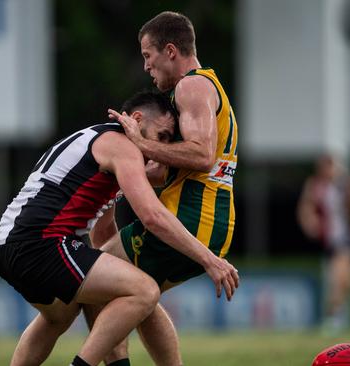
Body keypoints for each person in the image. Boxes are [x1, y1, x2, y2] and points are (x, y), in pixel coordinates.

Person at [0, 90, 239, 366]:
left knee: (58, 318)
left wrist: (110, 274)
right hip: (40, 244)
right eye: (162, 136)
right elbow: (153, 217)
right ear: (136, 120)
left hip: (8, 245)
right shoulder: (122, 147)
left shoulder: (99, 140)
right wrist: (209, 259)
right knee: (144, 290)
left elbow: (103, 230)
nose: (161, 150)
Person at [94, 11, 240, 365]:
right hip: (209, 219)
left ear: (170, 50)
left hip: (190, 218)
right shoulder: (206, 87)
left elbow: (202, 155)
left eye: (148, 55)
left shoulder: (192, 86)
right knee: (138, 298)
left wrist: (139, 145)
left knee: (94, 278)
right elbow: (180, 169)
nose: (146, 66)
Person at [297, 154, 350, 334]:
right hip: (330, 241)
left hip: (346, 238)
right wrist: (309, 221)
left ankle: (333, 318)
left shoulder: (346, 185)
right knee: (346, 277)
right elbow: (305, 208)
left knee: (337, 278)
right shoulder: (315, 186)